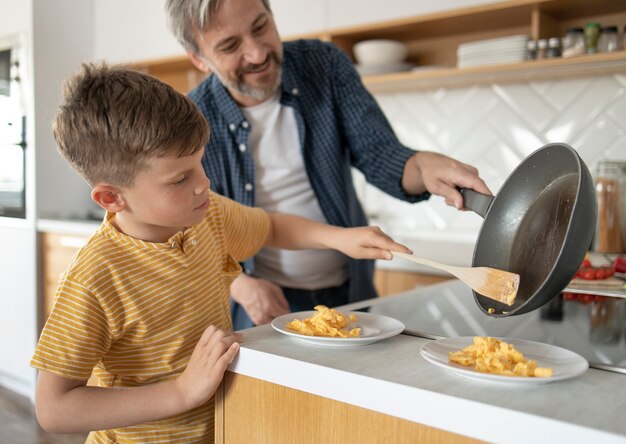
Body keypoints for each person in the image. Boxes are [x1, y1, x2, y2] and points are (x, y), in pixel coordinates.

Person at [30, 62, 411, 443]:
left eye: (199, 163)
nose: (204, 183)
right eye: (180, 178)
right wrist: (181, 392)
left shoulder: (208, 216)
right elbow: (54, 408)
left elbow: (272, 226)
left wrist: (340, 238)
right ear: (111, 198)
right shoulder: (95, 277)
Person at [165, 0, 491, 330]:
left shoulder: (323, 65)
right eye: (231, 45)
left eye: (261, 27)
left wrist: (422, 166)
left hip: (349, 290)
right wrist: (239, 286)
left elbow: (380, 154)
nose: (257, 53)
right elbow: (191, 231)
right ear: (198, 58)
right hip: (261, 305)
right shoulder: (194, 119)